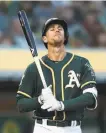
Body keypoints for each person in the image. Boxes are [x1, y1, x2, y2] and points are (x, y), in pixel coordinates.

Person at [16, 18, 98, 133]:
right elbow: (21, 104)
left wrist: (61, 105)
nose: (57, 30)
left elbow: (91, 97)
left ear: (65, 37)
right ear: (44, 38)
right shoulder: (34, 68)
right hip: (44, 127)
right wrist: (40, 99)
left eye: (60, 28)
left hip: (73, 128)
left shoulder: (81, 63)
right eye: (52, 29)